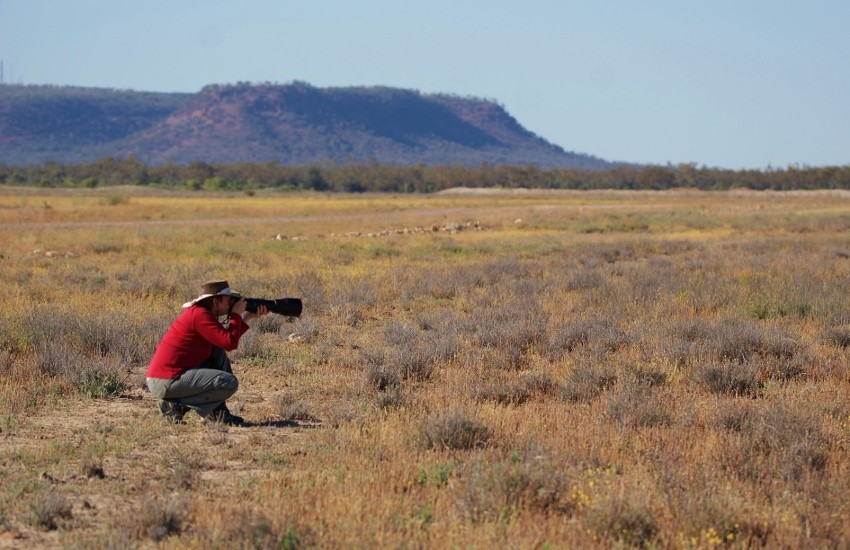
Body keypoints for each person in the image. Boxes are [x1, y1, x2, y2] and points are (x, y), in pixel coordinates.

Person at [145, 280, 268, 425]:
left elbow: (225, 341)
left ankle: (217, 413)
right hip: (166, 380)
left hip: (169, 377)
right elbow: (229, 343)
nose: (231, 304)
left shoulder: (201, 314)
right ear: (216, 302)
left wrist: (246, 317)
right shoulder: (200, 315)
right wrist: (235, 315)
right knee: (228, 383)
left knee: (217, 354)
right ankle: (175, 405)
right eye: (229, 301)